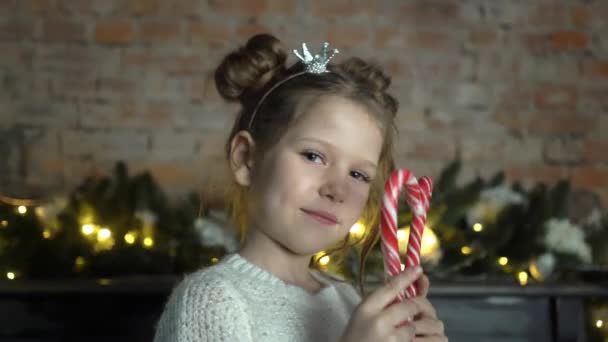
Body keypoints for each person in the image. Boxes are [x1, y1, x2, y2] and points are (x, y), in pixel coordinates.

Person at [153, 33, 447, 342]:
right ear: (246, 159)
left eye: (359, 174)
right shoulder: (211, 301)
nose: (338, 190)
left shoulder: (346, 299)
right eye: (314, 156)